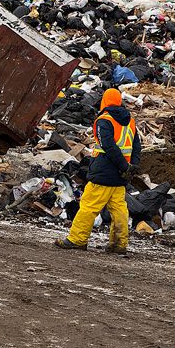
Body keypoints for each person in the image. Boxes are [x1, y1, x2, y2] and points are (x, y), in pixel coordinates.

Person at [55, 88, 141, 254]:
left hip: (104, 171)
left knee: (89, 206)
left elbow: (108, 146)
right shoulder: (130, 121)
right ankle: (119, 244)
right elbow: (136, 146)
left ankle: (77, 239)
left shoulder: (104, 120)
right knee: (119, 209)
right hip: (121, 174)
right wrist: (131, 167)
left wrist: (124, 166)